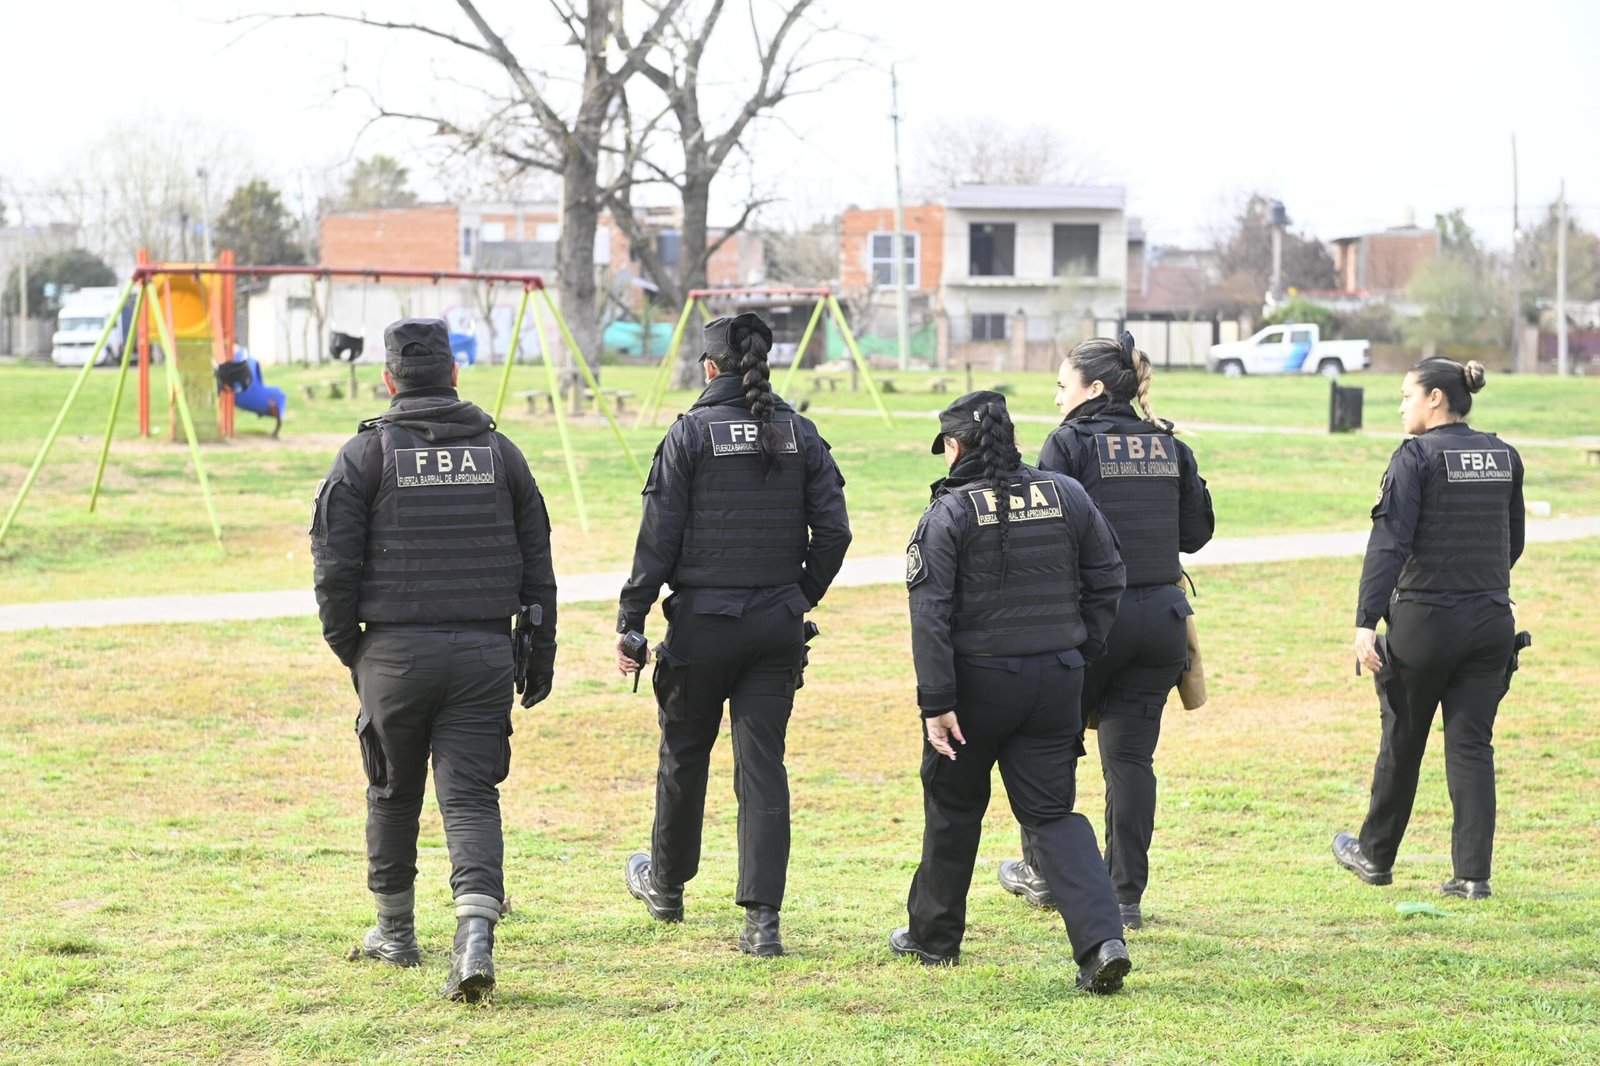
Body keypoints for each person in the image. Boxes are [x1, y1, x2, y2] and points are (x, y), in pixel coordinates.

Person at [310, 318, 557, 1002]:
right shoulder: (502, 454)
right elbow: (538, 565)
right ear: (453, 375)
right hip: (484, 652)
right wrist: (538, 652)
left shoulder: (363, 456)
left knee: (392, 793)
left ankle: (395, 934)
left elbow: (333, 570)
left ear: (388, 381)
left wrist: (355, 651)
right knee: (471, 797)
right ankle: (474, 937)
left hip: (393, 654)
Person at [615, 312, 851, 958]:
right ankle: (762, 923)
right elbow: (835, 532)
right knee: (763, 767)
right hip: (776, 627)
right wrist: (798, 596)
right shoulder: (800, 432)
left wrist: (631, 621)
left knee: (683, 755)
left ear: (709, 366)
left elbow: (657, 541)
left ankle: (667, 887)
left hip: (702, 628)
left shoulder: (690, 433)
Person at [894, 390, 1132, 993]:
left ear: (954, 447)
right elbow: (1109, 575)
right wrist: (1079, 650)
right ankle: (1102, 942)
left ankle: (933, 938)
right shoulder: (1065, 494)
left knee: (953, 809)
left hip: (976, 687)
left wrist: (936, 702)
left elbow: (930, 614)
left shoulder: (949, 513)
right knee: (1052, 814)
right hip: (1056, 679)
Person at [997, 333, 1214, 931]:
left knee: (1047, 743)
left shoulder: (1068, 442)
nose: (1056, 398)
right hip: (1162, 622)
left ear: (1093, 389)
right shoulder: (1168, 443)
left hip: (1090, 621)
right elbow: (1196, 534)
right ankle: (1124, 897)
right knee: (1130, 760)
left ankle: (1045, 873)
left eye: (1062, 385)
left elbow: (1042, 529)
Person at [1334, 358, 1524, 900]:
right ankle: (1473, 875)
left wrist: (1366, 620)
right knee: (1472, 747)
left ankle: (1375, 857)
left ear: (1435, 398)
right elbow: (1512, 543)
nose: (1401, 406)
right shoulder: (1504, 456)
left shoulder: (1414, 456)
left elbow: (1389, 544)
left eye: (1406, 396)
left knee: (1402, 740)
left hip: (1425, 623)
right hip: (1490, 620)